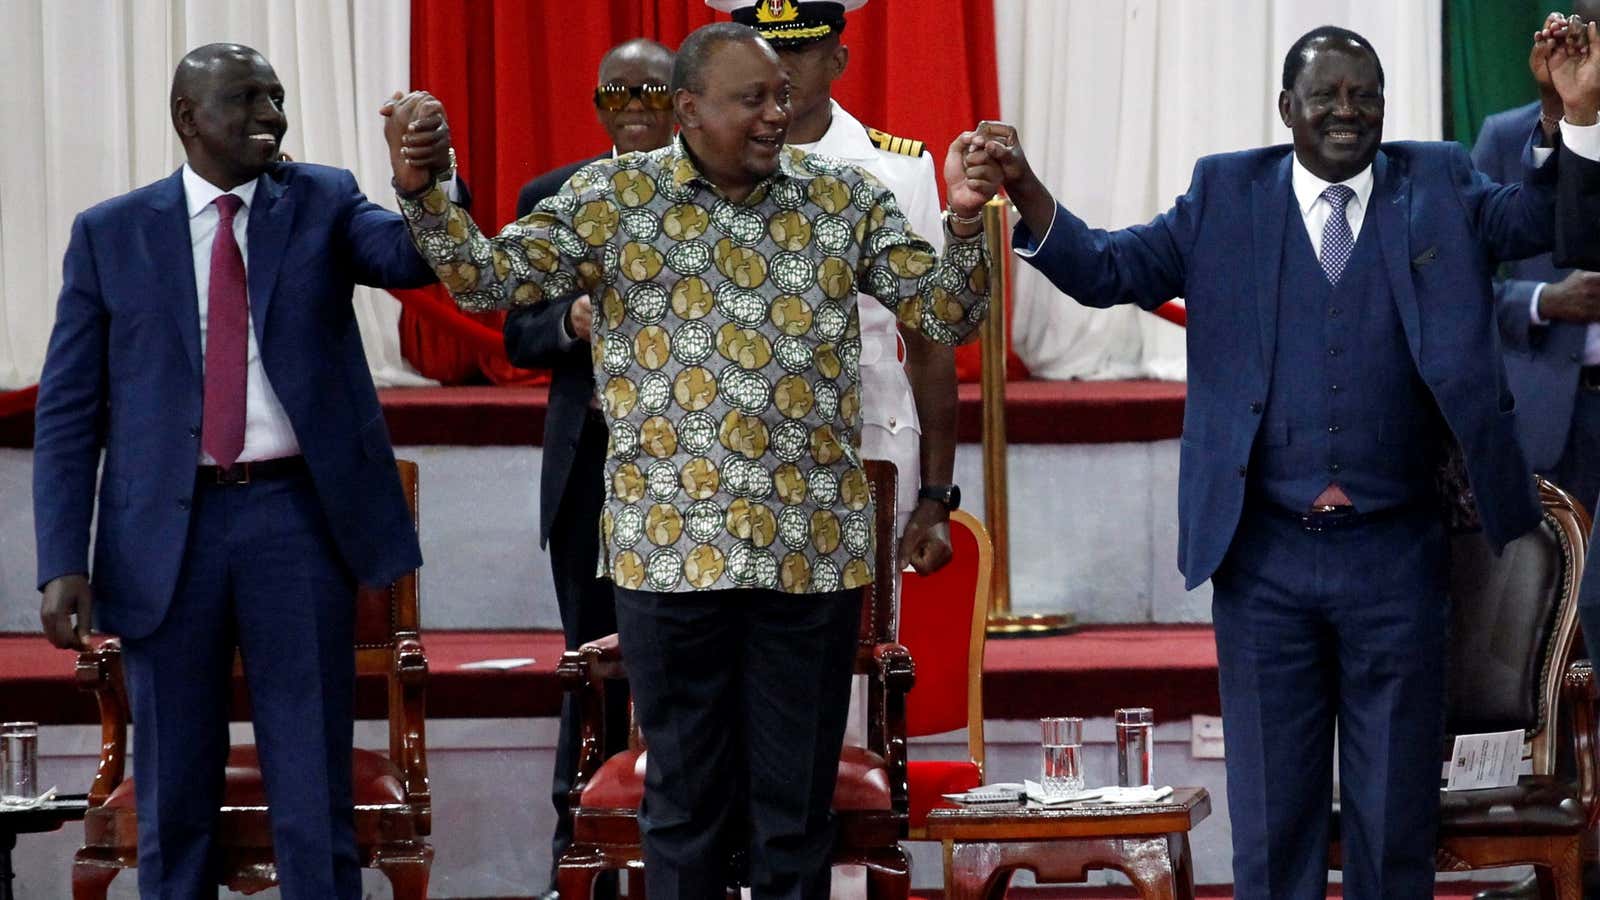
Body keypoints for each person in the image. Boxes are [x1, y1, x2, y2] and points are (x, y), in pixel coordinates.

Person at [968, 22, 1600, 900]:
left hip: (1398, 556)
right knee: (1274, 828)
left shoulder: (1441, 183)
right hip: (1266, 559)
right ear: (1285, 110)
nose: (1348, 112)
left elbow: (1554, 223)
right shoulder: (1226, 194)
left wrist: (1574, 116)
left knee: (1394, 829)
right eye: (1327, 96)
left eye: (1365, 96)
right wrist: (1027, 190)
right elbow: (1108, 268)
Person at [383, 20, 996, 897]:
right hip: (668, 558)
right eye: (754, 99)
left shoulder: (843, 200)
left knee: (795, 817)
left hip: (811, 559)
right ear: (688, 110)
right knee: (682, 809)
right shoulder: (611, 197)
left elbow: (943, 315)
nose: (777, 114)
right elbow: (488, 282)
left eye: (782, 96)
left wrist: (966, 222)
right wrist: (425, 193)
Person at [31, 44, 444, 899]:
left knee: (312, 785)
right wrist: (62, 557)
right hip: (164, 533)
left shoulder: (324, 200)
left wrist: (421, 184)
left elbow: (410, 261)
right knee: (174, 791)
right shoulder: (111, 233)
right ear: (188, 118)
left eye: (278, 97)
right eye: (246, 99)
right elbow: (69, 412)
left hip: (295, 521)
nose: (271, 114)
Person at [501, 36, 676, 900]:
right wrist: (568, 322)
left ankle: (690, 852)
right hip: (590, 467)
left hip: (694, 473)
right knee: (588, 658)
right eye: (619, 94)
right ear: (598, 102)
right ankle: (578, 853)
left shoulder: (715, 189)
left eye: (652, 89)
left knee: (689, 664)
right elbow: (515, 331)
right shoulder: (553, 197)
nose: (635, 106)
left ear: (682, 97)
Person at [709, 0, 961, 572]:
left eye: (798, 48)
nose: (780, 65)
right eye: (765, 48)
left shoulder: (896, 170)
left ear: (839, 58)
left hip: (866, 442)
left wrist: (937, 495)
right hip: (730, 454)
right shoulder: (700, 168)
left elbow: (928, 341)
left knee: (850, 654)